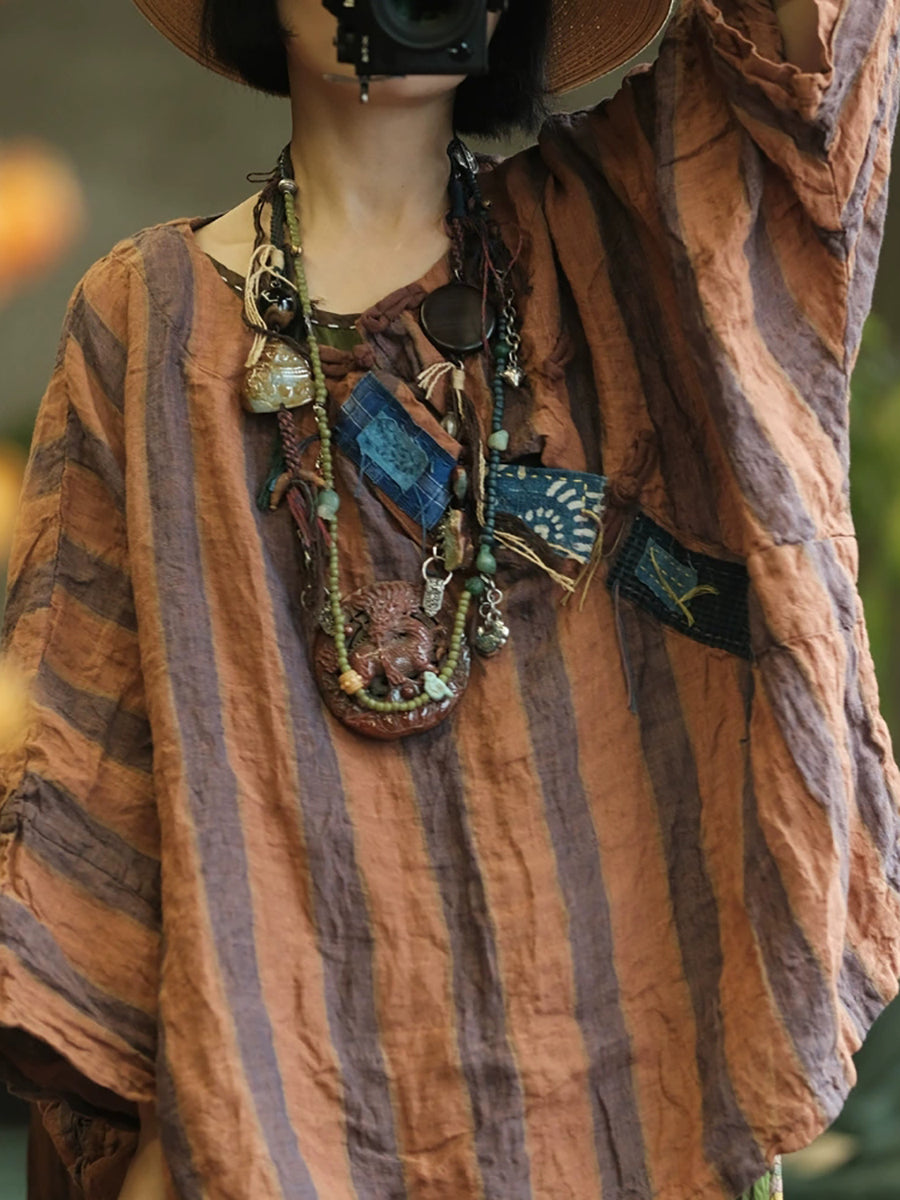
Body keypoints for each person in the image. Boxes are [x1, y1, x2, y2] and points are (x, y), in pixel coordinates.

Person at [1, 0, 898, 1196]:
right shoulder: (150, 316)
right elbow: (92, 779)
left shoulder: (627, 235)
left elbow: (812, 68)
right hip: (279, 1109)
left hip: (635, 1107)